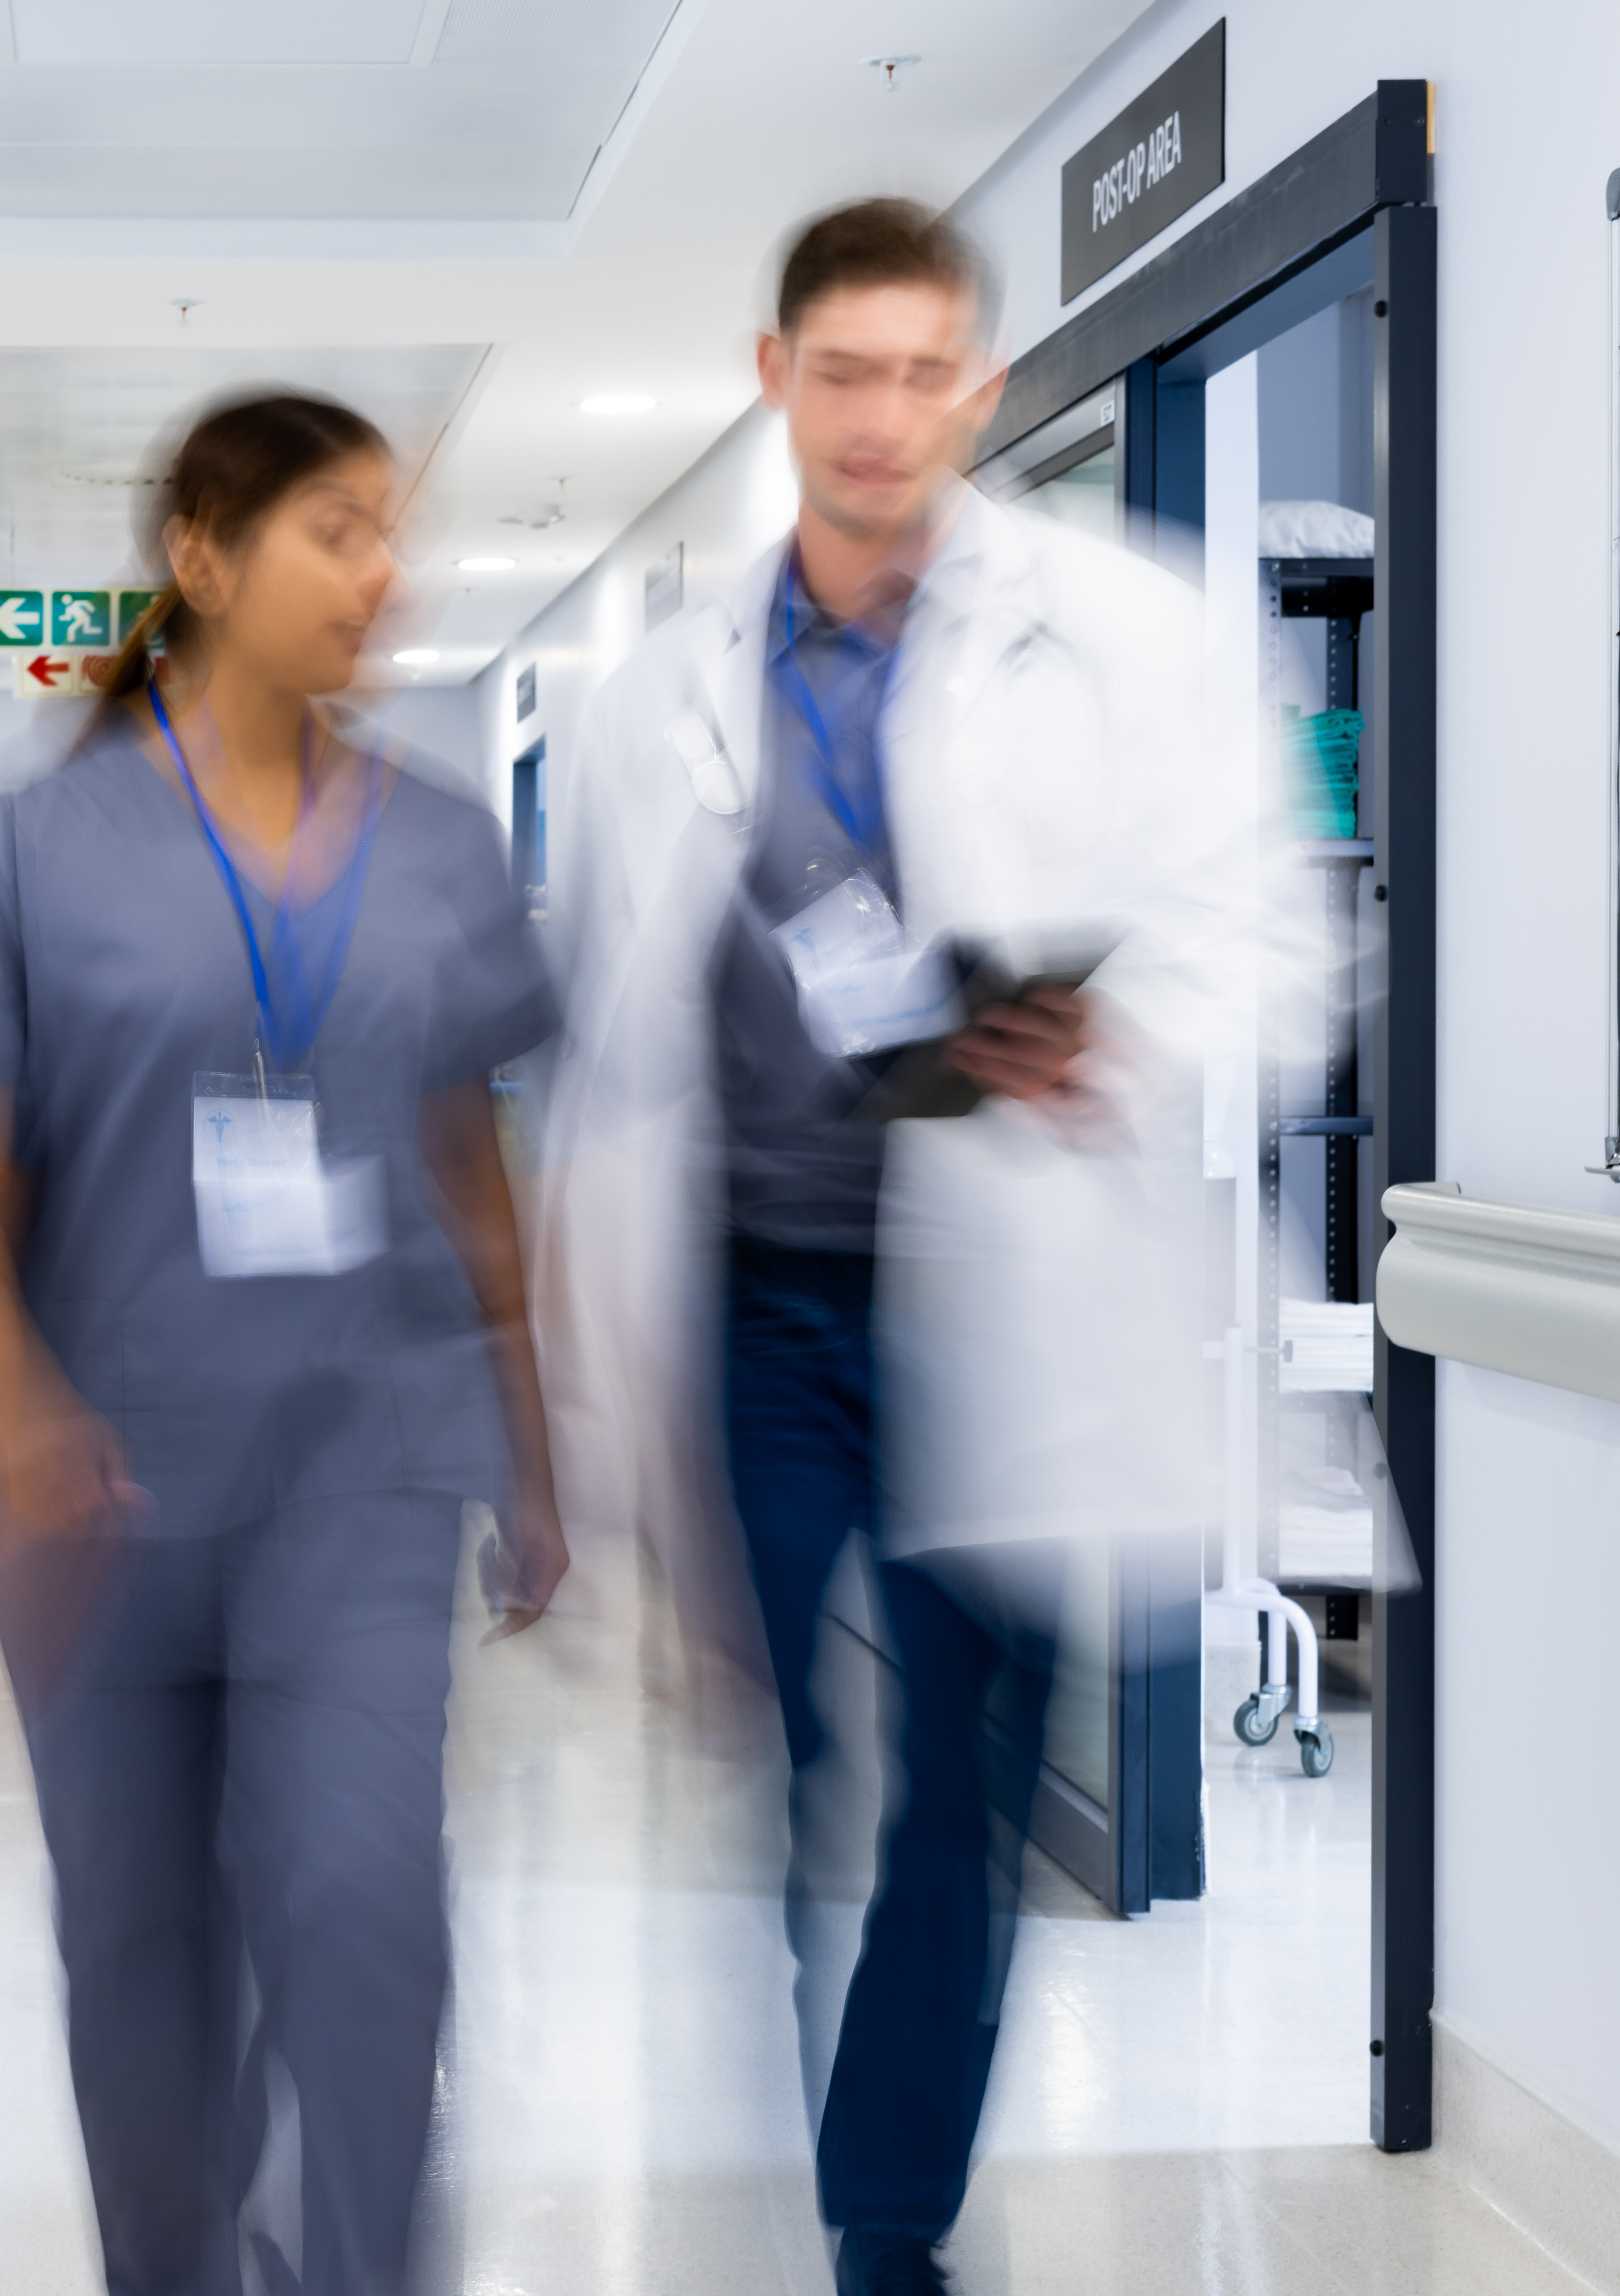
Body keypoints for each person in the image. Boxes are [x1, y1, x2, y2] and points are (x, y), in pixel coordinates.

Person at [533, 201, 1245, 2293]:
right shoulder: (657, 694)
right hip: (751, 1299)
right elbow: (603, 1039)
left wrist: (1125, 1021)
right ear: (773, 376)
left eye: (919, 373)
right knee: (792, 1761)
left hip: (994, 1281)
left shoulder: (1116, 637)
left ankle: (885, 2221)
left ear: (981, 389)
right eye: (837, 372)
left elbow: (1251, 917)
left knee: (960, 1771)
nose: (876, 418)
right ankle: (840, 2141)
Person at [0, 390, 567, 2296]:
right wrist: (13, 1414)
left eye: (388, 528)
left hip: (360, 1475)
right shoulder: (35, 851)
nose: (381, 571)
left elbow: (467, 1158)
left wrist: (532, 1440)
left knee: (359, 1913)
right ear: (204, 556)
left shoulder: (429, 846)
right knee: (143, 1958)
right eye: (335, 528)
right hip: (103, 1498)